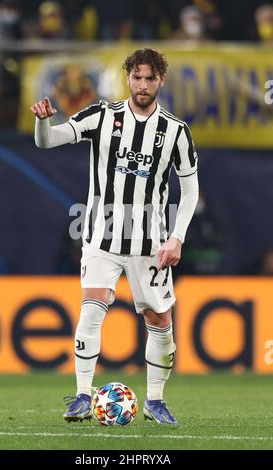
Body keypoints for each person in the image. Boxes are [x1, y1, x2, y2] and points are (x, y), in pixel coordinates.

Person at [30, 48, 199, 426]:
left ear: (160, 81)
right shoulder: (101, 115)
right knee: (91, 309)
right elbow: (47, 141)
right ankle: (81, 396)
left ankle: (155, 400)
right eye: (136, 77)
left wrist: (177, 238)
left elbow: (189, 192)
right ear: (128, 78)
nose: (142, 85)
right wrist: (43, 122)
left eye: (150, 78)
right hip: (101, 239)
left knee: (160, 322)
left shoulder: (175, 132)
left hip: (150, 244)